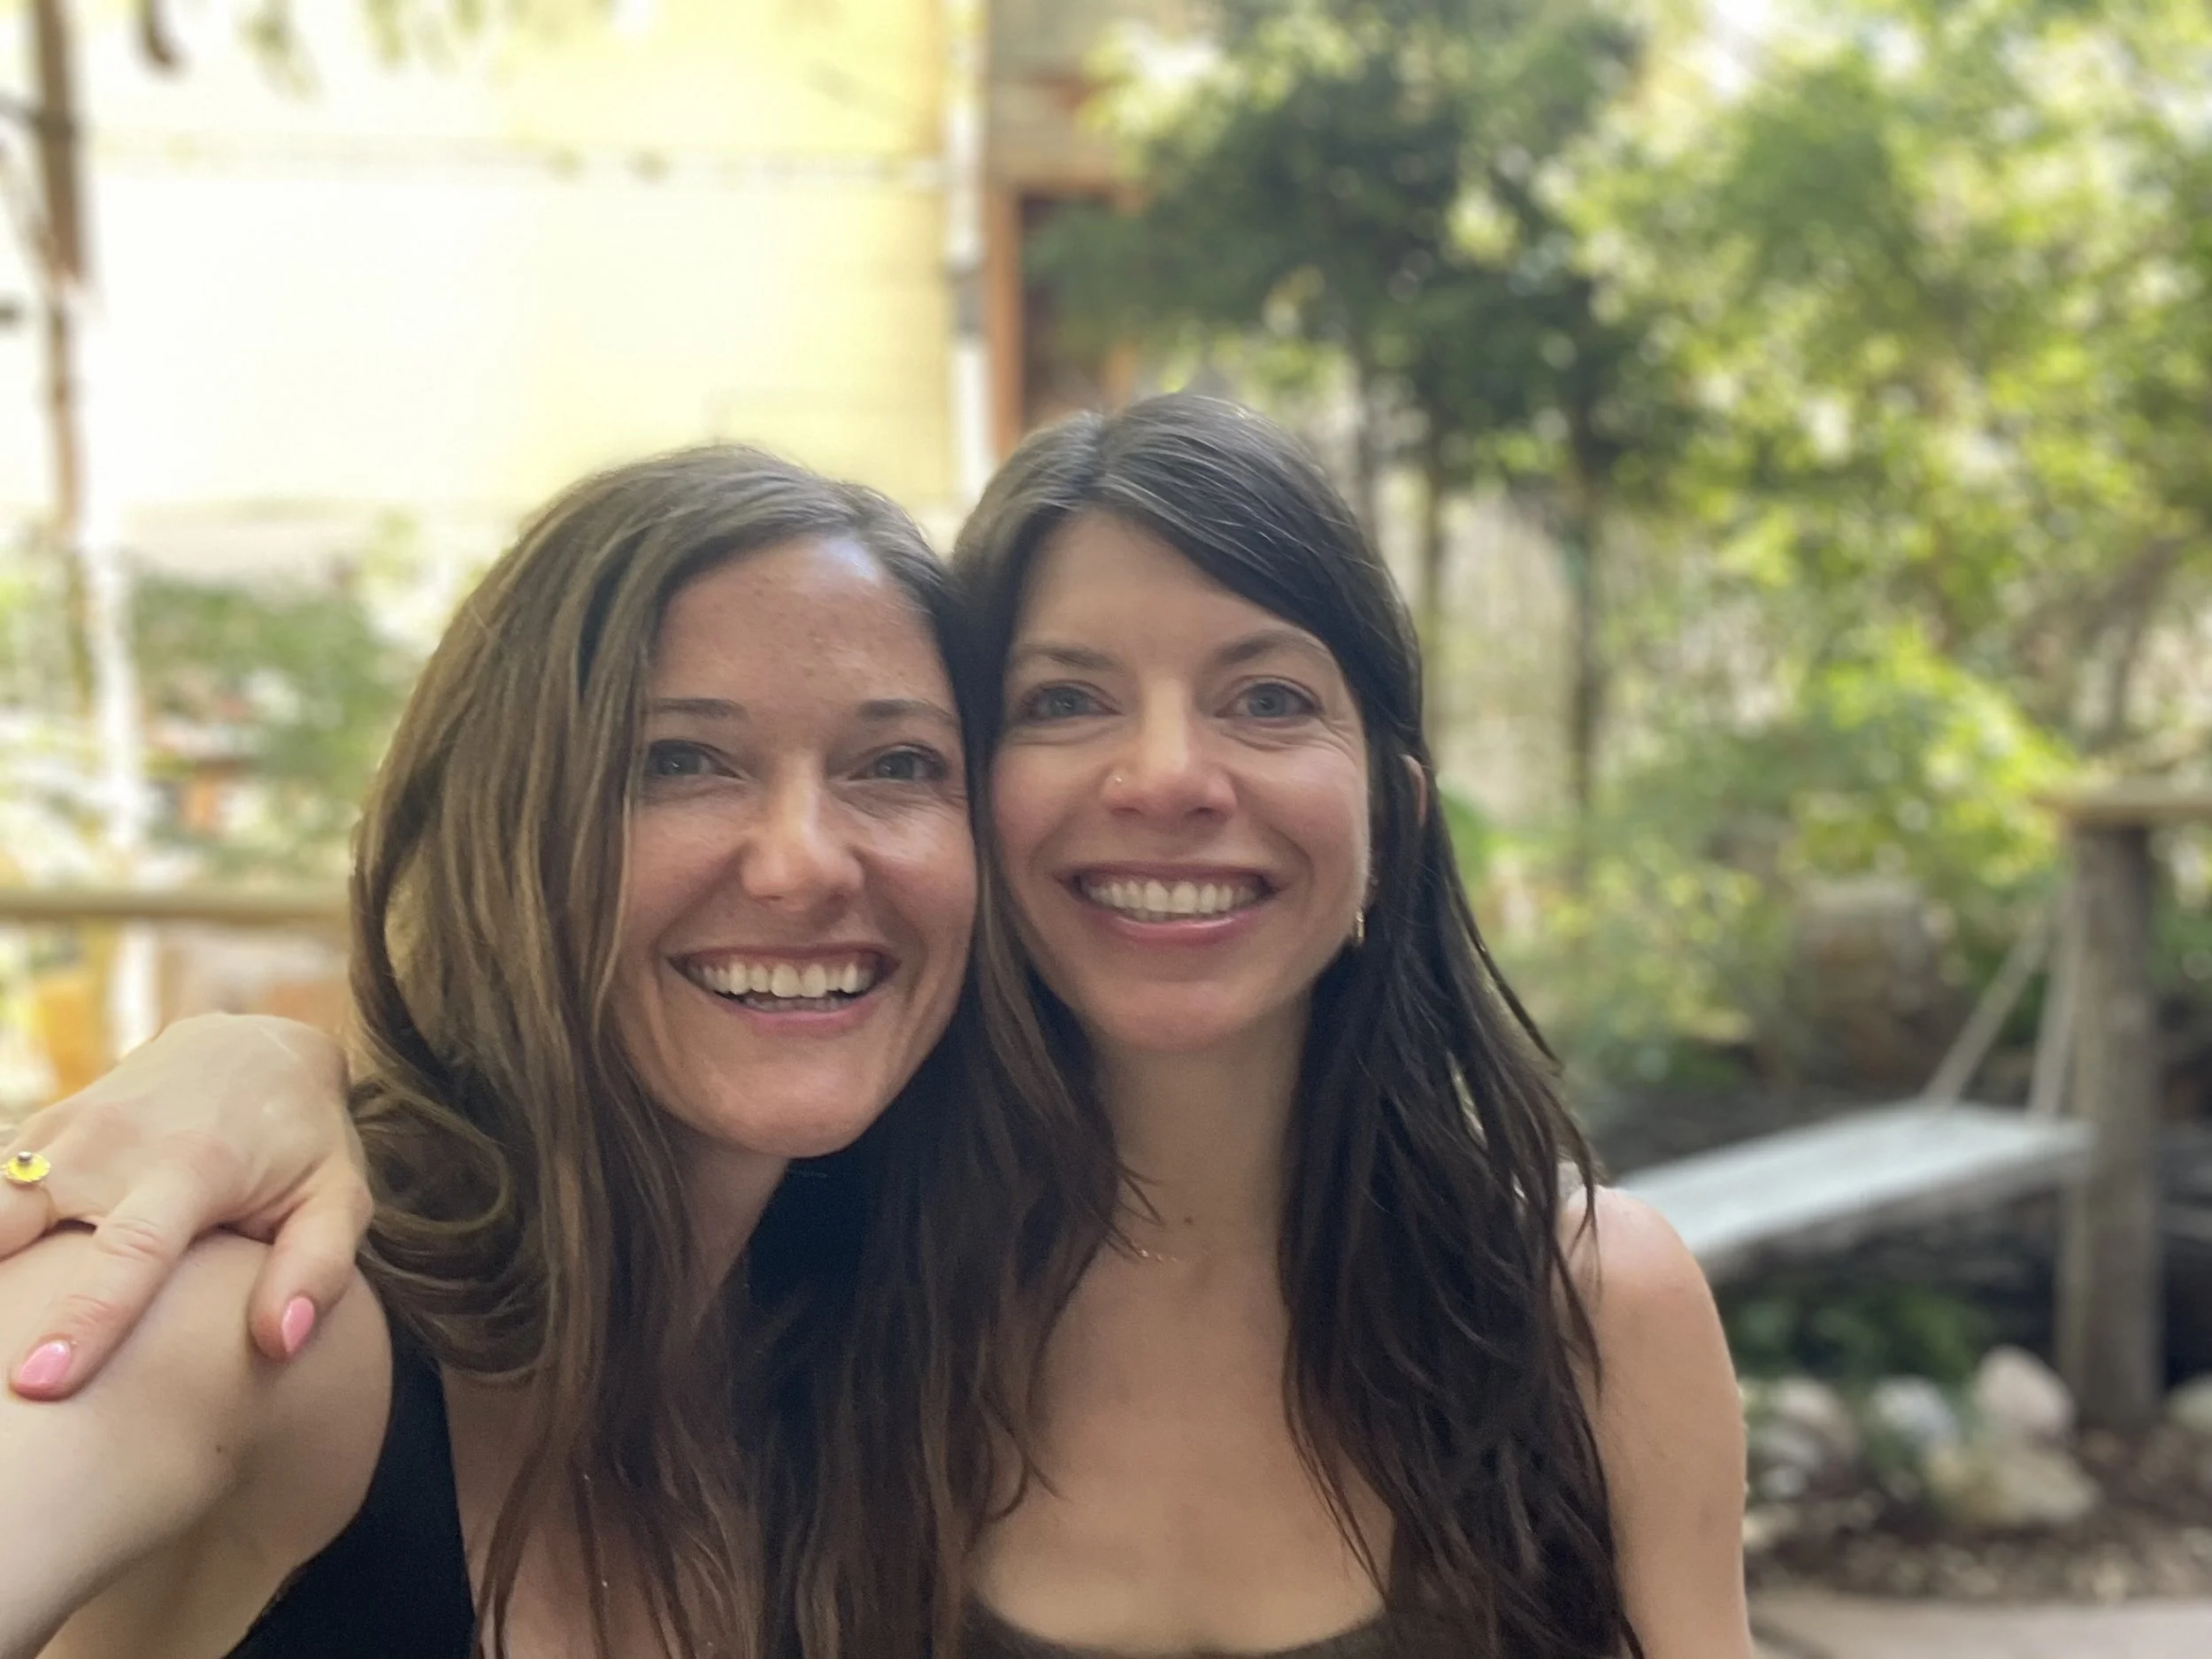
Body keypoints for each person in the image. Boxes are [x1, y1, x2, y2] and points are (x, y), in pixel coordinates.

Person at [5, 396, 1750, 1657]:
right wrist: (254, 1065)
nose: (1163, 775)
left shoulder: (778, 1311)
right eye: (678, 757)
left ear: (1396, 808)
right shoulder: (816, 1320)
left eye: (885, 765)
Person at [0, 446, 998, 1659]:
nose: (805, 860)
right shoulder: (269, 1315)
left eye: (897, 766)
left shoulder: (889, 1369)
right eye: (678, 762)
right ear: (504, 826)